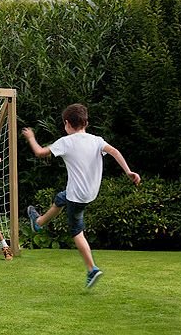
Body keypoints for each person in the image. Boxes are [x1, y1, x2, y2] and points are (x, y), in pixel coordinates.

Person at [22, 103, 140, 288]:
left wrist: (31, 137)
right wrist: (128, 171)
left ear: (67, 123)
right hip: (89, 191)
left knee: (76, 231)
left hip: (78, 196)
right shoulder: (97, 140)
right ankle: (38, 223)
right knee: (61, 198)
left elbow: (39, 152)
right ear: (86, 122)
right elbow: (115, 152)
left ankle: (92, 269)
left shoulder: (65, 142)